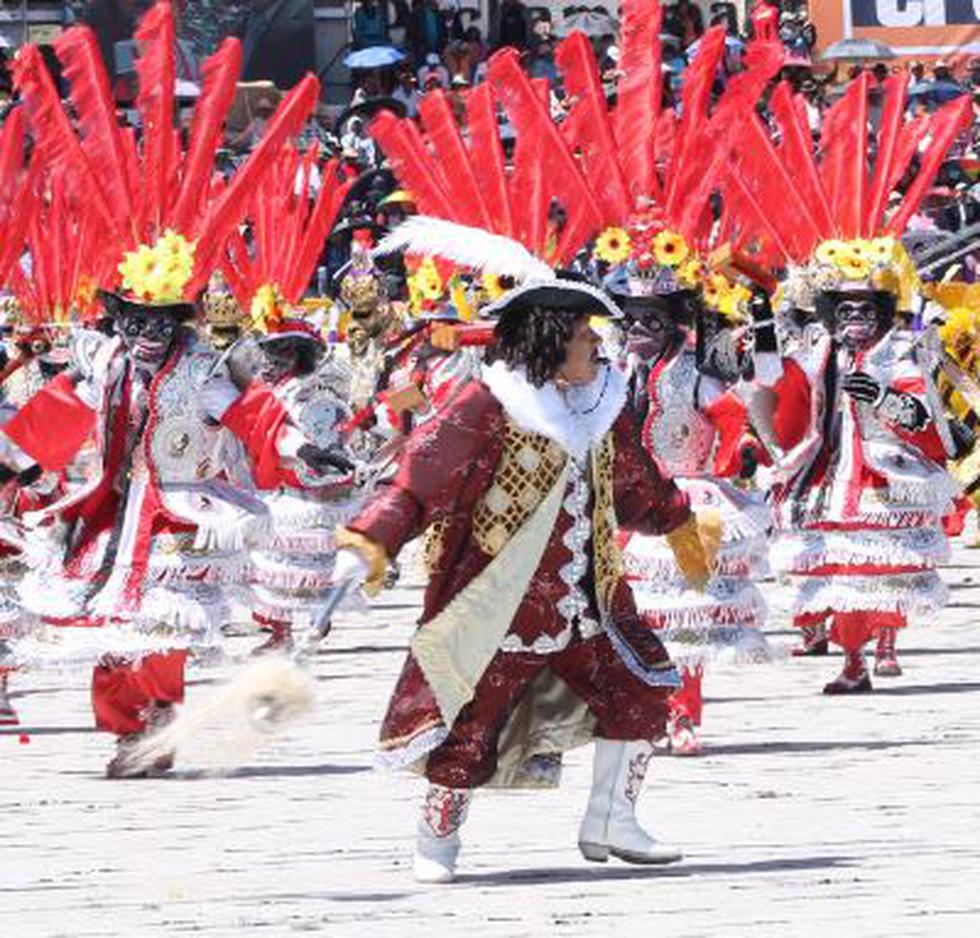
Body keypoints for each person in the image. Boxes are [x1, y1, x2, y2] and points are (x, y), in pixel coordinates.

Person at [334, 279, 715, 883]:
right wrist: (372, 538)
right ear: (550, 339)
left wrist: (680, 524)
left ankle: (612, 820)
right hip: (500, 600)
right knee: (470, 721)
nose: (598, 344)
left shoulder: (603, 404)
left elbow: (634, 480)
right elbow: (418, 479)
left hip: (591, 595)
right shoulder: (486, 403)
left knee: (640, 690)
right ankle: (437, 837)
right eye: (585, 334)